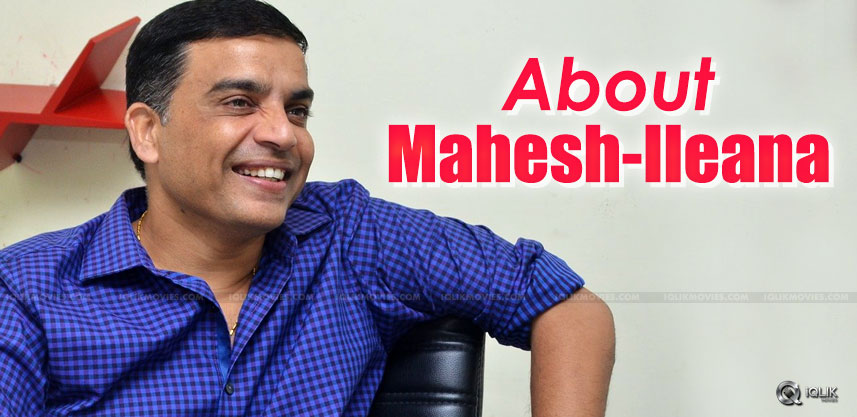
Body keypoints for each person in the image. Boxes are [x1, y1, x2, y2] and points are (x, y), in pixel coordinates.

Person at [0, 1, 615, 415]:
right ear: (147, 132)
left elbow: (567, 305)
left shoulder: (351, 233)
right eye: (240, 103)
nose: (283, 134)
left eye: (296, 110)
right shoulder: (26, 289)